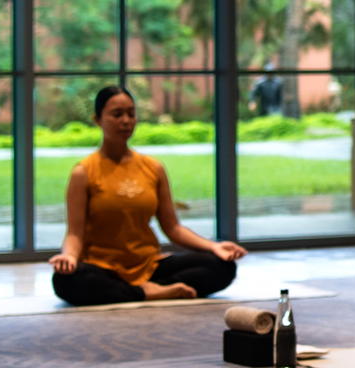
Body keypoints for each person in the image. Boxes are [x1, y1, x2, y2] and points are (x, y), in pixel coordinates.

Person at [49, 86, 245, 305]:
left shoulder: (153, 167)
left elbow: (173, 228)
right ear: (98, 119)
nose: (126, 121)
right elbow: (75, 234)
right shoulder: (83, 172)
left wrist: (214, 246)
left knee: (221, 266)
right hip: (103, 268)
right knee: (66, 281)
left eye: (131, 114)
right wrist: (69, 258)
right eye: (117, 114)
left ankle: (143, 289)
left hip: (149, 265)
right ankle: (149, 293)